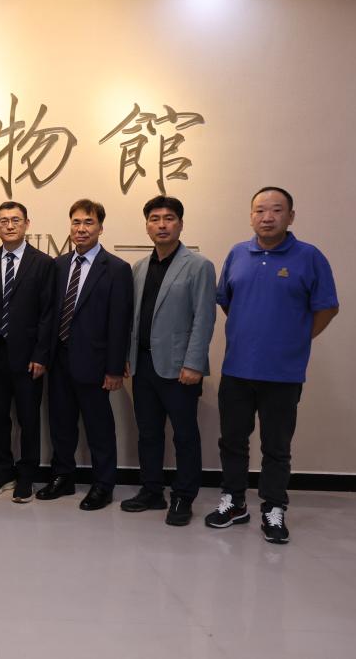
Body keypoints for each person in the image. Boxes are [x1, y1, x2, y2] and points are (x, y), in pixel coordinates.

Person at [207, 186, 338, 544]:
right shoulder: (237, 254)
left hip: (283, 373)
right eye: (260, 210)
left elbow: (327, 307)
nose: (267, 217)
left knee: (276, 446)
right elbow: (227, 301)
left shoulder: (309, 256)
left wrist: (296, 338)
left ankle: (274, 507)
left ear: (290, 216)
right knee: (232, 441)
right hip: (237, 369)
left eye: (277, 210)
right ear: (251, 216)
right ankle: (234, 501)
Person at [120, 196, 215, 526]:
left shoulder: (199, 266)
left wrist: (194, 364)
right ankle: (152, 490)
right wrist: (127, 357)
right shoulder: (139, 268)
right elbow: (133, 319)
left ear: (180, 224)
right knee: (148, 433)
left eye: (169, 218)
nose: (162, 225)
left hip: (179, 368)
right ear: (147, 225)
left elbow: (204, 318)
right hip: (143, 365)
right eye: (155, 219)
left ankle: (183, 497)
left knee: (185, 435)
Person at [38, 199, 133, 511]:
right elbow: (50, 314)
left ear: (100, 228)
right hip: (59, 359)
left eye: (88, 222)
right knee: (60, 423)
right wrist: (44, 356)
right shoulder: (59, 265)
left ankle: (103, 485)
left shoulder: (116, 269)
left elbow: (120, 322)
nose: (81, 228)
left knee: (99, 428)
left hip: (95, 362)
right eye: (76, 222)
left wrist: (115, 368)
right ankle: (63, 477)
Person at [0, 201, 55, 503]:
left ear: (26, 224)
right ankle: (3, 471)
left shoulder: (43, 263)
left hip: (29, 357)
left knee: (28, 418)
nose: (9, 225)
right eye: (3, 221)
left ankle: (26, 476)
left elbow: (48, 313)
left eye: (15, 220)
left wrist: (41, 355)